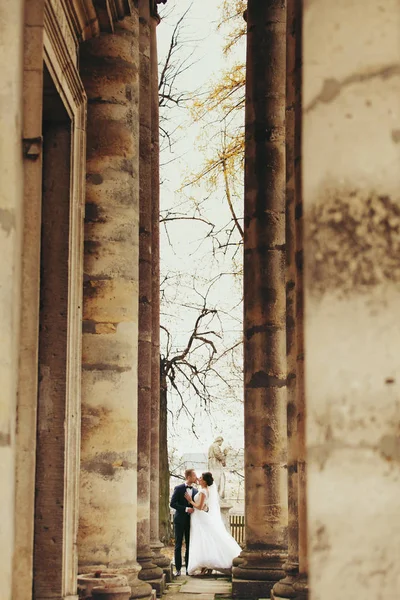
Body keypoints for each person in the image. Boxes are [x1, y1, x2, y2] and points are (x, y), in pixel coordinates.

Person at [184, 471, 241, 576]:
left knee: (204, 539)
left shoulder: (203, 491)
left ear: (205, 481)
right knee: (205, 540)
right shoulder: (205, 490)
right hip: (198, 518)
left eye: (200, 478)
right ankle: (206, 566)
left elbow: (200, 507)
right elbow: (205, 506)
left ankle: (207, 565)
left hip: (200, 518)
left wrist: (190, 501)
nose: (198, 479)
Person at [170, 468, 198, 576]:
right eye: (194, 476)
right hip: (179, 520)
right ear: (189, 477)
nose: (195, 478)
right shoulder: (179, 488)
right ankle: (177, 569)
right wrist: (186, 509)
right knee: (178, 544)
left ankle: (188, 569)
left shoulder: (195, 491)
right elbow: (172, 504)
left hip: (191, 521)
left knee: (189, 545)